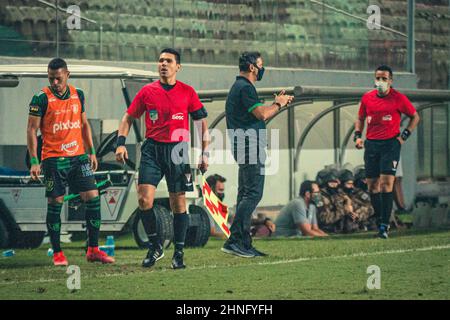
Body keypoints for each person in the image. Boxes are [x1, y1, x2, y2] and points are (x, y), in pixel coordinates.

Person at [115, 48, 209, 269]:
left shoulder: (187, 92)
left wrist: (204, 153)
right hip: (152, 150)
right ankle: (156, 245)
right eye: (160, 60)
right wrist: (120, 144)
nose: (163, 64)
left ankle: (178, 252)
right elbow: (128, 117)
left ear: (178, 66)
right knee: (143, 200)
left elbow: (201, 123)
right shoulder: (147, 92)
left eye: (168, 61)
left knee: (178, 203)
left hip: (178, 150)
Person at [27, 58, 114, 266]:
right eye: (51, 79)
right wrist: (34, 160)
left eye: (58, 78)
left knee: (93, 198)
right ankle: (57, 252)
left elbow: (84, 125)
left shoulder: (78, 94)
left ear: (67, 74)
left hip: (79, 157)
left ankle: (93, 249)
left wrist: (92, 152)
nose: (54, 82)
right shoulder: (40, 98)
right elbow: (31, 129)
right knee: (55, 203)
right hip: (54, 159)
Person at [222, 51, 294, 258]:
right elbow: (261, 114)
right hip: (249, 146)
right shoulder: (245, 88)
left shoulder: (240, 87)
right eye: (261, 65)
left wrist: (275, 105)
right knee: (253, 193)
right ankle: (235, 240)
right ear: (253, 67)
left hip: (245, 145)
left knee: (245, 194)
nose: (263, 68)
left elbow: (258, 115)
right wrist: (279, 103)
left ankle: (244, 242)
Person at [354, 65, 420, 239]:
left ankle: (384, 225)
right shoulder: (367, 98)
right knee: (372, 185)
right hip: (372, 145)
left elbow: (415, 117)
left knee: (386, 184)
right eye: (378, 78)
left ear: (391, 80)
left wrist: (403, 136)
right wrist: (358, 137)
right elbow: (360, 118)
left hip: (390, 145)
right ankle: (380, 220)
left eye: (384, 78)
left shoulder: (398, 98)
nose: (380, 81)